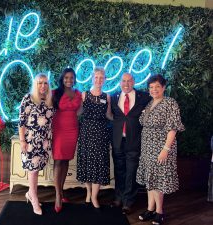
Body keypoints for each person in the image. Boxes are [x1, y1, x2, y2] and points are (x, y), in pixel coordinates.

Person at [136, 74, 185, 225]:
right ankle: (150, 209)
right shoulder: (149, 104)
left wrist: (165, 149)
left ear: (164, 87)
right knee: (150, 179)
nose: (154, 89)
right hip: (147, 147)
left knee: (157, 180)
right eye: (151, 87)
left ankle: (159, 212)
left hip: (161, 147)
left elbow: (173, 128)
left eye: (157, 86)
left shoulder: (170, 103)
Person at [111, 73, 151, 214]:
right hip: (118, 140)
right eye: (123, 81)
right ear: (120, 82)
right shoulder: (114, 96)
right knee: (119, 169)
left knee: (131, 171)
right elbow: (112, 116)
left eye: (129, 81)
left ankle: (128, 201)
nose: (126, 84)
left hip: (134, 140)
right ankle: (118, 197)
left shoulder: (144, 97)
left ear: (134, 82)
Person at [76, 67, 113, 209]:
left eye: (101, 78)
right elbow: (79, 112)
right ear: (92, 78)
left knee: (99, 164)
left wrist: (124, 119)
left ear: (105, 80)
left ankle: (94, 197)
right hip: (86, 133)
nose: (99, 80)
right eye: (96, 77)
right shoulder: (84, 95)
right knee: (86, 162)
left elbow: (108, 115)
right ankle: (88, 192)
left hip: (101, 134)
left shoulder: (107, 97)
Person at [18, 73, 54, 215]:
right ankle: (34, 198)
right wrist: (22, 141)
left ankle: (30, 193)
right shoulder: (28, 98)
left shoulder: (50, 100)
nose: (43, 85)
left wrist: (49, 142)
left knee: (37, 169)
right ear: (35, 84)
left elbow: (50, 123)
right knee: (32, 171)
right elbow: (21, 121)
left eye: (45, 83)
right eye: (40, 83)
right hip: (31, 141)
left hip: (44, 142)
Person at [52, 68, 82, 213]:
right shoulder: (54, 93)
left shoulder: (78, 94)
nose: (69, 80)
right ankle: (58, 195)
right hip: (59, 130)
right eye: (66, 77)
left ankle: (62, 191)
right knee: (58, 160)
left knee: (66, 161)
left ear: (75, 79)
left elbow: (80, 111)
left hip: (73, 129)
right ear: (62, 78)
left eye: (71, 78)